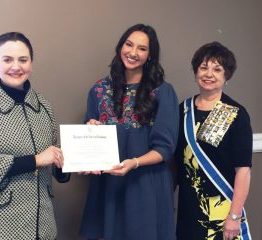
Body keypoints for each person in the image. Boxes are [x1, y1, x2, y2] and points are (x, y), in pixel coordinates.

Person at [0, 32, 69, 240]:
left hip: (42, 226)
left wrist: (76, 162)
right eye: (7, 59)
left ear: (31, 63)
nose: (16, 66)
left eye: (23, 59)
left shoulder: (43, 106)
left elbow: (55, 157)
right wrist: (37, 160)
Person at [80, 24, 179, 240]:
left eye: (142, 48)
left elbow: (164, 149)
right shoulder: (98, 90)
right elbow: (87, 134)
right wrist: (91, 127)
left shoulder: (163, 92)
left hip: (146, 186)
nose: (133, 53)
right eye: (129, 44)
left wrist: (133, 163)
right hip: (108, 187)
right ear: (120, 46)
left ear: (150, 55)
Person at [175, 42, 252, 240]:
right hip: (190, 208)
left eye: (217, 69)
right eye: (203, 67)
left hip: (222, 209)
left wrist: (234, 216)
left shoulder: (235, 113)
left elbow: (243, 170)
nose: (209, 74)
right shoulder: (182, 110)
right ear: (195, 72)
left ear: (226, 76)